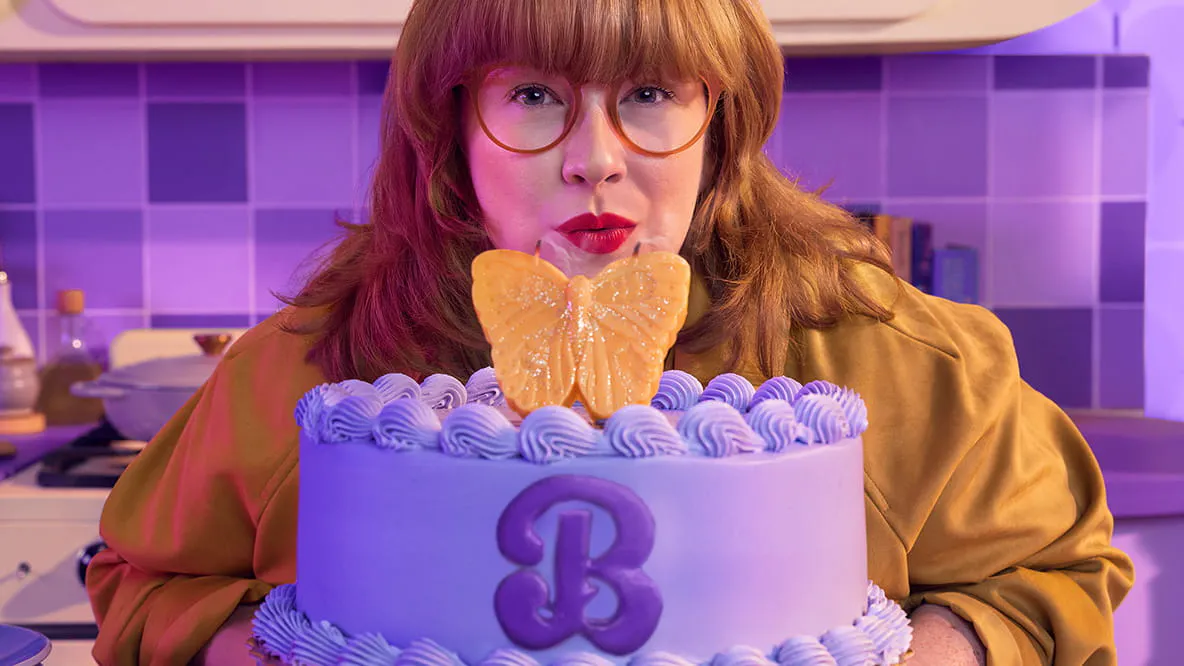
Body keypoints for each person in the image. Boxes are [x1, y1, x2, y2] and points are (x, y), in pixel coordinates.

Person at [85, 0, 1134, 664]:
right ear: (450, 125)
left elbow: (1053, 579)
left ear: (718, 122)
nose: (595, 156)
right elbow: (140, 585)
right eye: (535, 94)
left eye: (647, 93)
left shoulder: (907, 364)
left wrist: (931, 653)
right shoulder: (309, 381)